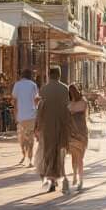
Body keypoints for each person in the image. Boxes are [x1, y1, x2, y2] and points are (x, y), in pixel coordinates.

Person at [36, 65, 70, 193]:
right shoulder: (65, 89)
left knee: (48, 153)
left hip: (47, 126)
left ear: (49, 75)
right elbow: (68, 109)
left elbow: (40, 109)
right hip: (62, 126)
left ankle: (52, 180)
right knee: (59, 153)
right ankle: (55, 178)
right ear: (59, 75)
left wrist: (38, 126)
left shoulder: (44, 89)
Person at [11, 68, 40, 166]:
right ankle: (30, 159)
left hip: (21, 116)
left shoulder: (17, 85)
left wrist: (15, 114)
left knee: (22, 138)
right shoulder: (33, 85)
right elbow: (36, 100)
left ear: (22, 75)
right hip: (31, 115)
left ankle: (24, 155)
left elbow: (14, 101)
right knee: (30, 138)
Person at [66, 83, 89, 192]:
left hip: (79, 133)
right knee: (77, 157)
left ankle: (78, 178)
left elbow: (72, 112)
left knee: (78, 158)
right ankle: (78, 178)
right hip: (76, 133)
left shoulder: (76, 103)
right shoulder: (80, 102)